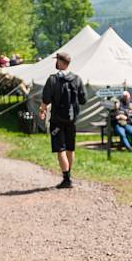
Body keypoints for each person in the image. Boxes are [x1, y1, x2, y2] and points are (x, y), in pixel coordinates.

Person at [39, 51, 86, 188]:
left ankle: (66, 179)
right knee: (70, 149)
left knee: (61, 149)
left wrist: (42, 112)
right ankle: (69, 175)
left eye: (57, 60)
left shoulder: (52, 79)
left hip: (57, 120)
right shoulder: (77, 79)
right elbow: (83, 100)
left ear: (61, 62)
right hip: (72, 120)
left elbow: (45, 100)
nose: (56, 62)